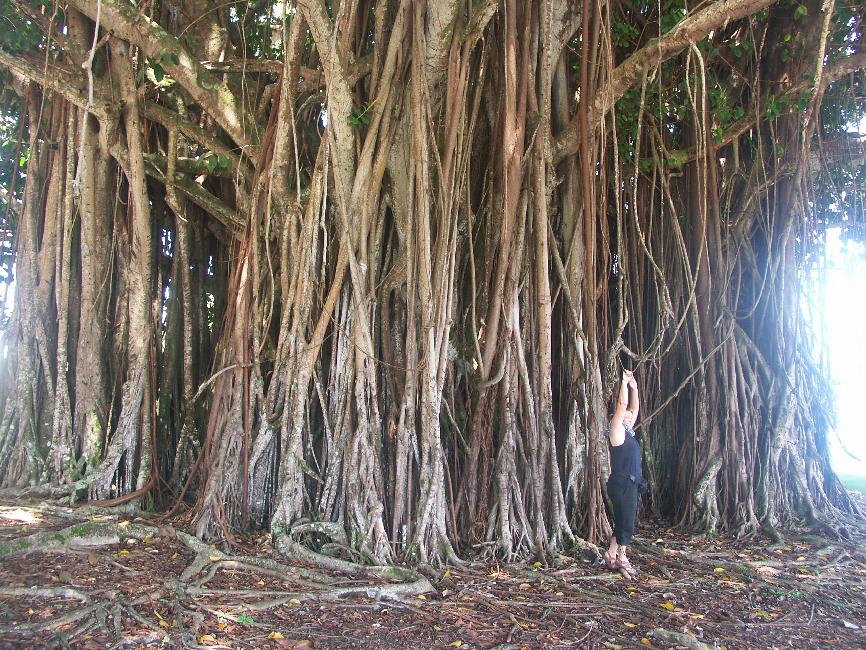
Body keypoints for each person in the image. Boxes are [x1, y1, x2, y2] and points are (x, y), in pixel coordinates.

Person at [603, 369, 642, 577]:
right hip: (622, 483)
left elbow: (633, 408)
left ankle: (611, 553)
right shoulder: (616, 431)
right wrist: (624, 384)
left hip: (629, 483)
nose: (629, 415)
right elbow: (623, 406)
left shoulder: (628, 432)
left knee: (622, 518)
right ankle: (622, 556)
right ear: (615, 418)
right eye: (624, 415)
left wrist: (634, 388)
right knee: (626, 520)